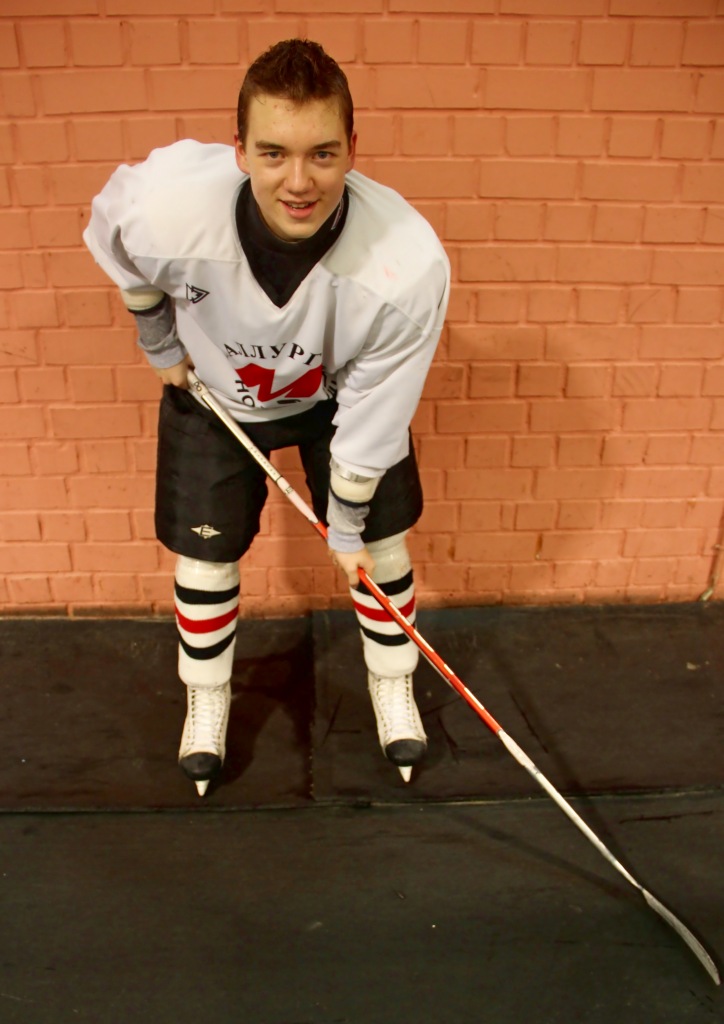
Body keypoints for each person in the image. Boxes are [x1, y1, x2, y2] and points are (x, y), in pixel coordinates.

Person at [83, 39, 450, 795]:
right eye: (274, 153)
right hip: (215, 397)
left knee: (380, 548)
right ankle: (207, 697)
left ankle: (392, 682)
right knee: (205, 559)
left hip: (335, 400)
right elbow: (117, 240)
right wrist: (157, 338)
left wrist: (345, 524)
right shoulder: (169, 207)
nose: (298, 181)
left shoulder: (406, 263)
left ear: (353, 149)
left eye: (322, 154)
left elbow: (379, 406)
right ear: (240, 149)